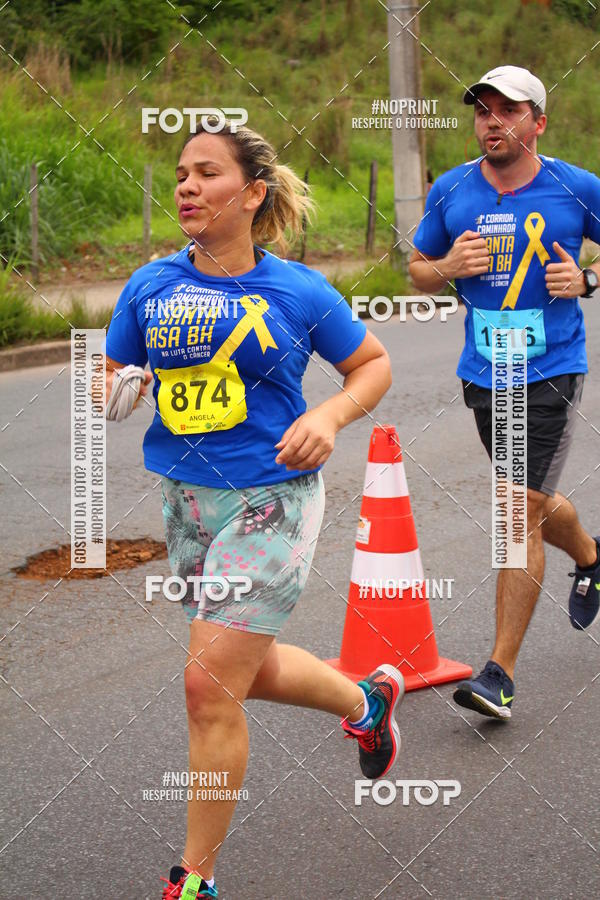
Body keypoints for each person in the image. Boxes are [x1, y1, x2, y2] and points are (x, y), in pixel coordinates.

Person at [104, 120, 404, 899]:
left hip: (274, 496)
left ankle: (194, 880)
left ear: (253, 193)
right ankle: (368, 700)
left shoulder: (298, 290)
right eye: (180, 174)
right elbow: (113, 365)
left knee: (207, 683)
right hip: (187, 501)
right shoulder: (151, 285)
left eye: (206, 173)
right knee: (240, 667)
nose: (186, 187)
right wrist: (116, 387)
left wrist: (329, 417)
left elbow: (371, 364)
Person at [409, 65, 600, 721]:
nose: (492, 122)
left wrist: (589, 277)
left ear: (537, 123)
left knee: (516, 510)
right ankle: (592, 557)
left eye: (507, 111)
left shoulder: (576, 188)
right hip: (483, 371)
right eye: (483, 111)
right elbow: (415, 273)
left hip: (550, 369)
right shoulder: (452, 189)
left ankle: (500, 674)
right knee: (536, 502)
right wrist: (446, 268)